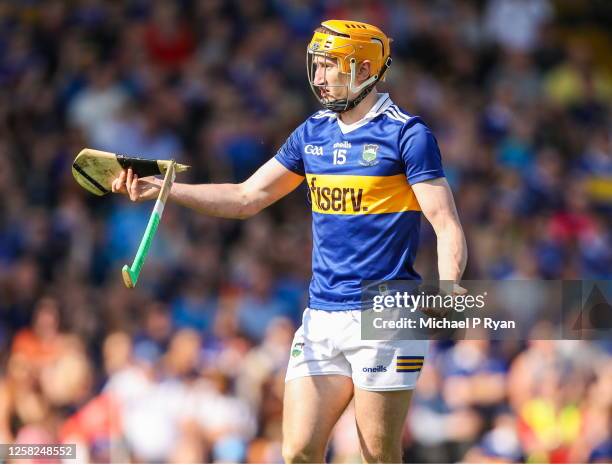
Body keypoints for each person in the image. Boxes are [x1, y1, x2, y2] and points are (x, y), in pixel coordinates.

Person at [111, 20, 467, 464]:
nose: (317, 77)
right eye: (315, 66)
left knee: (377, 454)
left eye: (329, 67)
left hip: (386, 316)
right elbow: (247, 196)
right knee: (297, 451)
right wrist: (163, 188)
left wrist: (450, 287)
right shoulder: (312, 133)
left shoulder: (407, 136)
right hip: (322, 316)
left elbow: (445, 222)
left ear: (362, 69)